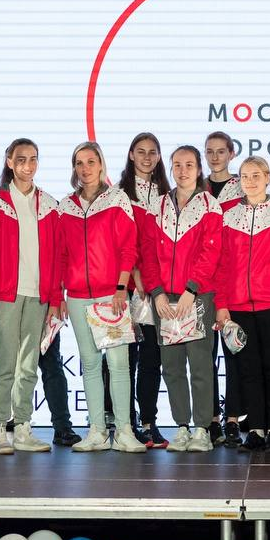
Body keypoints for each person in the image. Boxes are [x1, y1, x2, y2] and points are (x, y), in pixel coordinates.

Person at [58, 141, 145, 453]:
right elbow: (61, 255)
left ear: (101, 164)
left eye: (90, 162)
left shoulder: (117, 199)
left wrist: (121, 288)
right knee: (91, 364)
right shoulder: (66, 206)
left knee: (119, 364)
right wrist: (60, 294)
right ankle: (97, 431)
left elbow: (128, 248)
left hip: (111, 295)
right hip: (77, 297)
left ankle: (124, 431)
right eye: (79, 163)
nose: (85, 168)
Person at [0, 138, 62, 454]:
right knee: (3, 363)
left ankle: (23, 427)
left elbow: (57, 257)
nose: (28, 165)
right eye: (21, 159)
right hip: (5, 295)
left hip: (38, 296)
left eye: (33, 159)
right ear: (10, 162)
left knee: (28, 366)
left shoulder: (49, 205)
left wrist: (55, 298)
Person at [214, 156, 270, 452]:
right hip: (238, 308)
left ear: (267, 178)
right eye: (244, 176)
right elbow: (222, 267)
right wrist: (222, 305)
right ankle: (257, 430)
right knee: (247, 371)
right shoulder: (229, 217)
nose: (250, 181)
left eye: (256, 175)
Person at [140, 145, 223, 453]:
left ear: (199, 169)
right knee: (172, 366)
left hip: (197, 297)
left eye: (189, 165)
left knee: (200, 364)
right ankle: (183, 427)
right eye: (177, 164)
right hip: (165, 300)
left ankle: (202, 428)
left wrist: (192, 289)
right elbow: (147, 254)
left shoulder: (210, 205)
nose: (183, 170)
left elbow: (211, 252)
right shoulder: (158, 206)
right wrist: (157, 292)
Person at [118, 132, 171, 448]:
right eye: (141, 151)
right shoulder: (119, 195)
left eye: (153, 152)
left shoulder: (168, 194)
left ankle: (149, 422)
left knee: (152, 359)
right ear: (131, 155)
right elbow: (123, 242)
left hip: (158, 289)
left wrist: (156, 283)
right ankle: (124, 423)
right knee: (124, 360)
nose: (147, 157)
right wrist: (136, 276)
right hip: (128, 288)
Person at [205, 130, 243, 444]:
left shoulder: (244, 186)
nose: (215, 157)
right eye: (210, 151)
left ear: (232, 153)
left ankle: (233, 418)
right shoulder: (196, 188)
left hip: (233, 282)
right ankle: (211, 419)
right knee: (205, 357)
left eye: (221, 151)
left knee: (234, 354)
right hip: (203, 283)